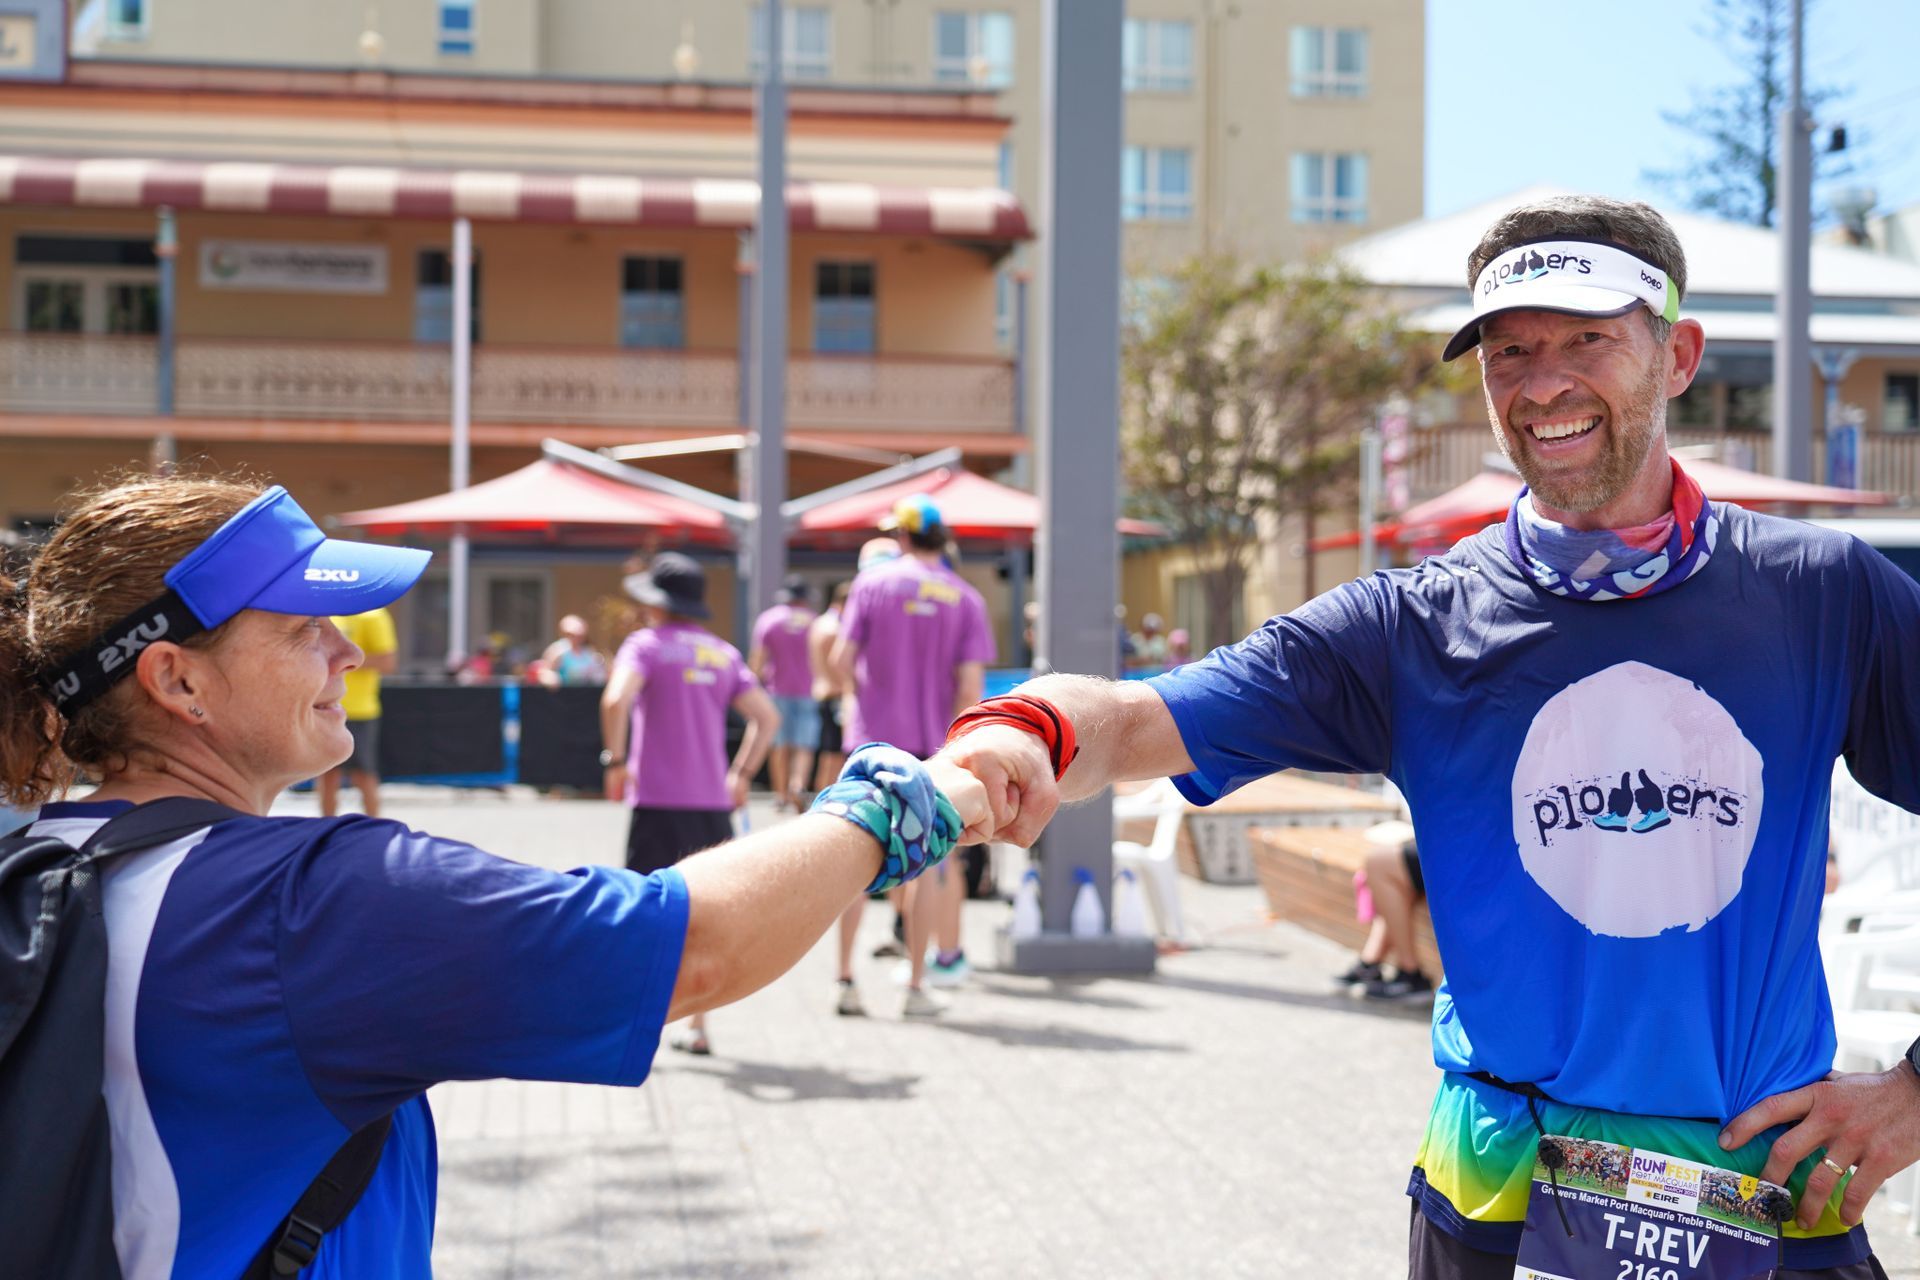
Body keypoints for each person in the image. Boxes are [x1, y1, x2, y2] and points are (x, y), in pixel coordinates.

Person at [941, 196, 1920, 1277]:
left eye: (1587, 338)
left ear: (1678, 353)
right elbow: (1140, 716)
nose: (1542, 382)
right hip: (1506, 1192)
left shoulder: (1823, 594)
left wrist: (1916, 1089)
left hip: (1756, 1191)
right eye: (1509, 351)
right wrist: (1018, 732)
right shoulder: (1410, 625)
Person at [0, 474, 987, 1277]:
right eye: (306, 624)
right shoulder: (309, 903)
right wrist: (901, 802)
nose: (348, 648)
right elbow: (696, 948)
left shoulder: (33, 869)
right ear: (176, 680)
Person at [600, 552, 781, 1057]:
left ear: (656, 603)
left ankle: (637, 1026)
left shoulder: (645, 645)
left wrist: (614, 759)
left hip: (657, 802)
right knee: (707, 918)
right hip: (711, 805)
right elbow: (766, 717)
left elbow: (615, 699)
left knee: (644, 915)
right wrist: (742, 773)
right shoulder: (721, 653)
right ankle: (698, 1025)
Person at [833, 497, 995, 1017]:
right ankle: (916, 987)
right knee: (930, 868)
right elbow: (969, 686)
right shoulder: (965, 598)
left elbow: (841, 659)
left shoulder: (871, 584)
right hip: (932, 752)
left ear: (902, 537)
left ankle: (845, 982)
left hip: (869, 746)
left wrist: (860, 699)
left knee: (850, 856)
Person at [807, 579, 867, 1015]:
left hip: (839, 705)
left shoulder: (824, 626)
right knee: (833, 769)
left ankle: (821, 808)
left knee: (831, 771)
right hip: (843, 705)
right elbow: (840, 664)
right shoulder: (834, 627)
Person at [316, 606, 396, 818]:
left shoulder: (373, 615)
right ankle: (325, 830)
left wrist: (343, 660)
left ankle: (375, 829)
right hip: (325, 705)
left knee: (363, 774)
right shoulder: (326, 612)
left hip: (360, 709)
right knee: (325, 773)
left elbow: (387, 661)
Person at [749, 575, 820, 812]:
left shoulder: (769, 620)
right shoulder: (814, 622)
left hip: (775, 691)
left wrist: (752, 688)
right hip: (809, 692)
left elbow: (758, 659)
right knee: (803, 746)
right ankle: (797, 785)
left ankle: (781, 795)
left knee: (778, 745)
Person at [538, 614, 608, 687]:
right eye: (572, 634)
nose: (577, 638)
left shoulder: (588, 651)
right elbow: (544, 672)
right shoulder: (557, 649)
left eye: (580, 635)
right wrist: (551, 678)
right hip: (563, 694)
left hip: (585, 694)